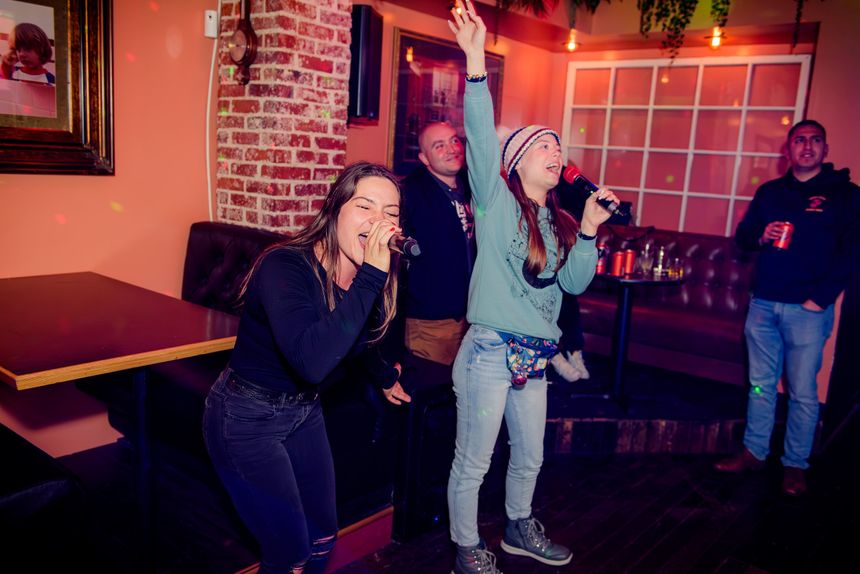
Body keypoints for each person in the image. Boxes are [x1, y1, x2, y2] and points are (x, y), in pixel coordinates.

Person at [446, 3, 620, 572]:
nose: (556, 152)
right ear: (517, 161)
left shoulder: (561, 222)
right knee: (474, 461)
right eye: (544, 146)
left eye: (558, 146)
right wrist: (476, 64)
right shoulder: (494, 202)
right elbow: (478, 138)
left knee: (530, 457)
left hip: (536, 356)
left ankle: (520, 528)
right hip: (491, 351)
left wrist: (590, 228)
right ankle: (467, 547)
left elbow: (573, 281)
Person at [202, 162, 412, 574]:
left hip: (303, 412)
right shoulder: (285, 266)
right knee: (289, 554)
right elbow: (312, 361)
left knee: (322, 537)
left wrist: (385, 377)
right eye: (365, 207)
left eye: (391, 212)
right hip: (245, 418)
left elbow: (355, 338)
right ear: (334, 212)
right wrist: (372, 275)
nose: (380, 221)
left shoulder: (365, 276)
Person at [714, 120, 860, 497]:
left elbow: (852, 253)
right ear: (788, 150)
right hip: (762, 303)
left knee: (802, 393)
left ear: (825, 150)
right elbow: (744, 238)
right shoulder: (770, 192)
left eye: (815, 140)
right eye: (799, 140)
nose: (807, 146)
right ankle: (754, 451)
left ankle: (796, 464)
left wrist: (819, 300)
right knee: (761, 386)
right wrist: (760, 235)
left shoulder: (845, 195)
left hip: (807, 311)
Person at [400, 121, 475, 366]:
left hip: (473, 316)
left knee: (466, 394)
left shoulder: (473, 186)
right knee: (433, 395)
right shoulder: (409, 193)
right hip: (431, 321)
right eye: (439, 146)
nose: (452, 149)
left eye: (454, 140)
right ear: (424, 157)